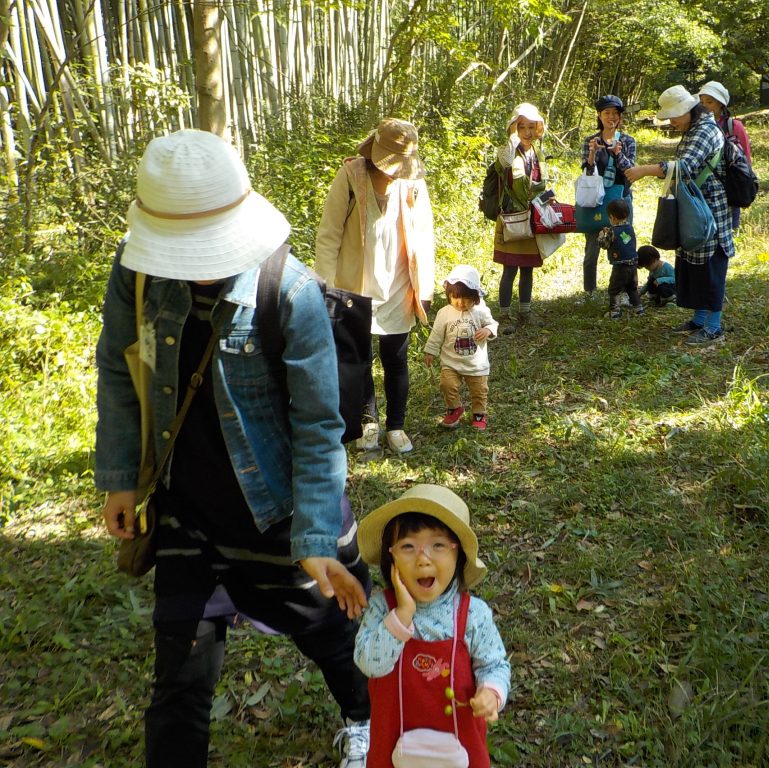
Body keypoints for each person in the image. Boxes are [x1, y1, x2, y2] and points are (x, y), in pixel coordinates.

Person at [95, 129, 372, 768]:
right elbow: (116, 365)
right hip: (184, 510)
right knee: (181, 681)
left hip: (271, 510)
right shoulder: (135, 273)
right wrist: (120, 477)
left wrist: (312, 542)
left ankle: (364, 714)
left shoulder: (291, 291)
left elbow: (316, 425)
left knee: (327, 634)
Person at [354, 484, 511, 768]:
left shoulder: (472, 614)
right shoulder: (381, 609)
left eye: (438, 545)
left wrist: (491, 692)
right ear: (391, 559)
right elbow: (370, 664)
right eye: (408, 547)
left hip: (458, 746)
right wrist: (402, 615)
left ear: (458, 555)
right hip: (393, 744)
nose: (423, 558)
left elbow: (494, 665)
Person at [316, 118, 436, 455]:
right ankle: (368, 423)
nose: (394, 172)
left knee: (395, 358)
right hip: (355, 285)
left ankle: (396, 426)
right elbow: (329, 235)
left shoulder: (413, 183)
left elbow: (424, 237)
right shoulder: (350, 176)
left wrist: (424, 286)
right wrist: (325, 288)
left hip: (400, 281)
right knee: (361, 359)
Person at [625, 85, 734, 345]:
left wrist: (646, 170)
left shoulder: (705, 130)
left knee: (710, 268)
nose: (671, 122)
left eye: (674, 116)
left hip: (709, 212)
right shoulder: (692, 129)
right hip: (694, 210)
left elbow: (685, 166)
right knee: (693, 263)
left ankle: (714, 327)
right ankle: (699, 319)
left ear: (688, 109)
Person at [492, 102, 547, 331]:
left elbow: (541, 185)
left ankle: (525, 312)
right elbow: (507, 172)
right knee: (510, 268)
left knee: (527, 267)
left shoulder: (538, 153)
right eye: (521, 126)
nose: (527, 132)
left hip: (530, 218)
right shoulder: (507, 152)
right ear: (513, 128)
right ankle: (504, 316)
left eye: (531, 127)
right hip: (512, 219)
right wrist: (512, 142)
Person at [424, 265, 498, 431]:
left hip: (476, 364)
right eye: (455, 297)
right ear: (449, 294)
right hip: (451, 362)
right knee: (447, 385)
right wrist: (430, 351)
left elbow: (493, 324)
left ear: (476, 297)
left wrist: (487, 330)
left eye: (466, 298)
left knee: (479, 390)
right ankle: (455, 408)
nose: (460, 303)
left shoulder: (480, 311)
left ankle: (479, 413)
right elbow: (436, 334)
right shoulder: (444, 313)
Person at [579, 94, 637, 301]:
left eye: (615, 113)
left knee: (625, 247)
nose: (611, 117)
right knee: (591, 249)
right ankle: (589, 292)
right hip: (597, 201)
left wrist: (617, 153)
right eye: (606, 113)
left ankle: (626, 293)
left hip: (621, 200)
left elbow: (631, 172)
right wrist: (593, 154)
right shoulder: (591, 141)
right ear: (599, 116)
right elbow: (587, 172)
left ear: (620, 117)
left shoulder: (628, 141)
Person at [698, 81, 752, 230]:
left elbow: (745, 157)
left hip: (729, 184)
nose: (705, 106)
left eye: (709, 102)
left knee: (727, 229)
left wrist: (744, 183)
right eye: (702, 102)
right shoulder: (697, 126)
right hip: (705, 185)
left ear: (721, 103)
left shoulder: (734, 126)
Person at [599, 197, 643, 319]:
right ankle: (638, 309)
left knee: (614, 289)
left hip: (620, 266)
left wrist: (602, 236)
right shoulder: (630, 228)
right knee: (631, 288)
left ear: (612, 217)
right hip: (633, 263)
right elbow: (624, 239)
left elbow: (604, 245)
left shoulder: (612, 231)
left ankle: (615, 312)